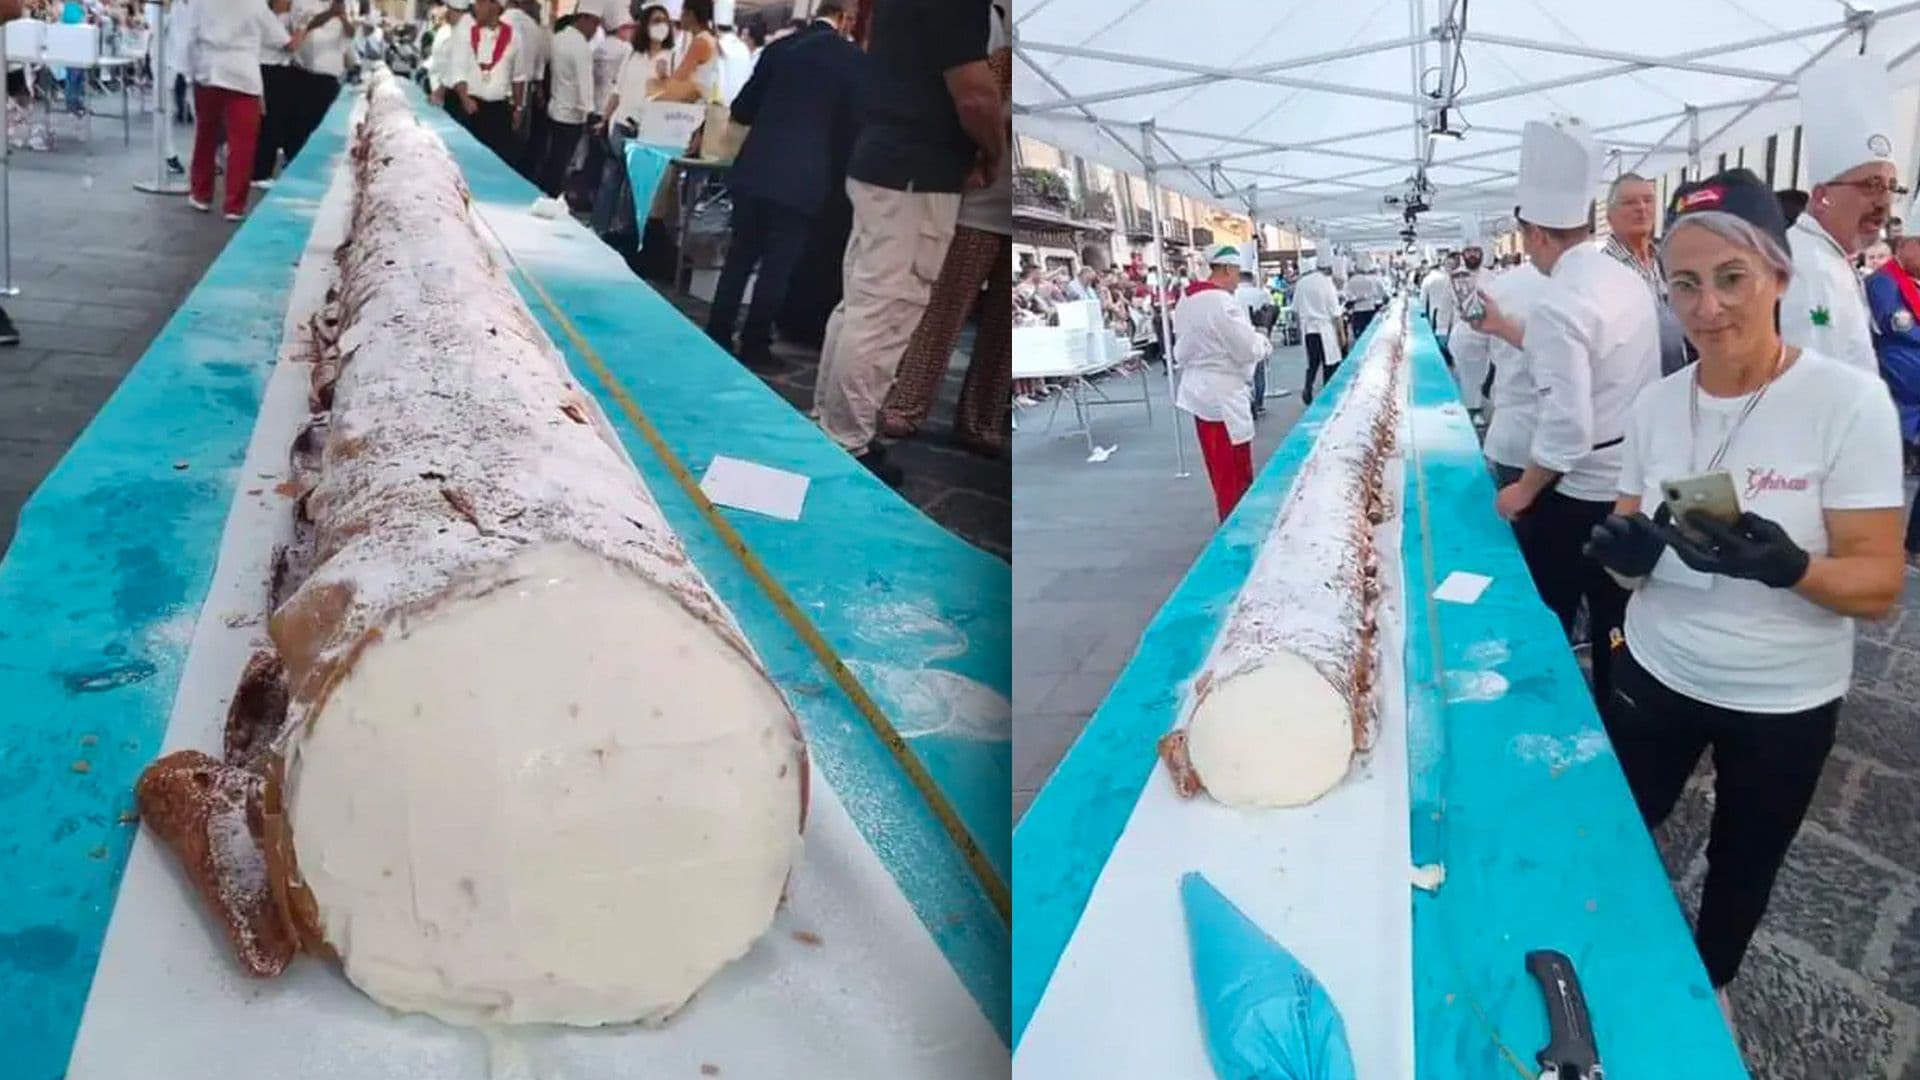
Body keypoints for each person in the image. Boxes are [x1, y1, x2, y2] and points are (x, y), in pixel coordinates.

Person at [1583, 169, 1903, 1019]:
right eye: (1684, 283)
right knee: (1615, 827)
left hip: (1783, 698)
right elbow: (1626, 545)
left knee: (1743, 860)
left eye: (1733, 278)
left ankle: (1708, 982)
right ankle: (1601, 952)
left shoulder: (1847, 403)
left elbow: (1878, 584)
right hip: (1656, 669)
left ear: (1779, 279)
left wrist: (1792, 568)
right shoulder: (1655, 405)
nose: (1707, 307)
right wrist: (1623, 558)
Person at [1466, 116, 1660, 709]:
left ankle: (1544, 710)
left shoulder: (1561, 299)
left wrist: (1523, 490)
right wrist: (1507, 328)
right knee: (1615, 621)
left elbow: (1567, 428)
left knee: (1545, 608)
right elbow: (1591, 361)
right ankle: (1616, 706)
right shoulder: (1621, 277)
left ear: (1536, 234)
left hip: (1580, 494)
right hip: (1631, 479)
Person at [811, 0, 997, 486]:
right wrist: (994, 151)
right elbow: (975, 95)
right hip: (917, 175)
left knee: (861, 304)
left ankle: (830, 425)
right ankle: (845, 440)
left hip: (885, 162)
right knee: (885, 310)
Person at [703, 0, 864, 370]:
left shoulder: (779, 48)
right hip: (805, 178)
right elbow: (852, 128)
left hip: (756, 168)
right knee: (778, 266)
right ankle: (755, 343)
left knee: (740, 257)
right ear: (845, 19)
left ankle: (718, 330)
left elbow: (743, 108)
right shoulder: (852, 60)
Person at [1781, 53, 1901, 375]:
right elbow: (1814, 387)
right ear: (1822, 196)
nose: (1883, 201)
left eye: (1891, 187)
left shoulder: (1831, 257)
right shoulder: (1810, 268)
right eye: (1871, 185)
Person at [1175, 244, 1273, 521]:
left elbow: (1181, 350)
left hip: (1199, 393)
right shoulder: (1221, 302)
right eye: (1237, 273)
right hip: (1223, 396)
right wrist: (1262, 335)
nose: (1237, 282)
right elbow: (1246, 349)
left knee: (1218, 471)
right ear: (1227, 269)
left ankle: (1232, 520)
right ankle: (1236, 531)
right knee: (1234, 473)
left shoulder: (1187, 299)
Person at [188, 0, 307, 220]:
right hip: (243, 75)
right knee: (242, 143)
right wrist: (302, 28)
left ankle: (201, 194)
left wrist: (190, 70)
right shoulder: (255, 4)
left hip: (208, 70)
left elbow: (189, 36)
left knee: (206, 137)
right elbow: (286, 43)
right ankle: (234, 205)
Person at [1865, 219, 1920, 565]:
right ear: (1905, 246)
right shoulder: (1884, 283)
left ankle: (1913, 544)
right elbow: (1898, 327)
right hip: (1895, 399)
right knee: (1879, 474)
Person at [1602, 172, 1691, 376]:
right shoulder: (1603, 270)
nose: (1642, 208)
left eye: (1648, 200)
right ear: (1609, 216)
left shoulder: (1668, 258)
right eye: (1629, 203)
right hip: (1633, 386)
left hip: (1678, 377)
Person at [1481, 257, 1551, 486]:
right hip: (1587, 451)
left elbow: (1473, 345)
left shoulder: (1500, 287)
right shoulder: (1600, 285)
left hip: (1515, 436)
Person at [447, 0, 525, 163]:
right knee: (467, 161)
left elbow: (518, 77)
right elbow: (458, 70)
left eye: (481, 3)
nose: (476, 7)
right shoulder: (467, 33)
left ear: (495, 7)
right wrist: (464, 98)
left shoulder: (514, 37)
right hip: (471, 108)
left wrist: (518, 108)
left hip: (500, 111)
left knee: (497, 160)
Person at [538, 0, 595, 198]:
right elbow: (584, 83)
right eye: (594, 24)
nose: (595, 30)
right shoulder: (580, 46)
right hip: (572, 115)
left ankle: (545, 193)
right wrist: (589, 112)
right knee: (562, 162)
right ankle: (552, 197)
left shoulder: (558, 38)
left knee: (552, 159)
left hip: (555, 107)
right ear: (584, 19)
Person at [285, 0, 349, 169]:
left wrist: (342, 16)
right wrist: (330, 14)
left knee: (322, 124)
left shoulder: (341, 5)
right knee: (301, 123)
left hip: (330, 77)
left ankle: (313, 164)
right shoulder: (303, 3)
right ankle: (293, 161)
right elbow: (300, 30)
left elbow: (350, 34)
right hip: (305, 73)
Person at [1447, 242, 1494, 415]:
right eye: (1469, 251)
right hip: (1464, 333)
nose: (1473, 255)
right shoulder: (1456, 276)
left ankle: (1479, 408)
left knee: (1483, 376)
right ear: (1463, 254)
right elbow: (1451, 306)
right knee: (1466, 377)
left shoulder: (1491, 276)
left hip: (1488, 333)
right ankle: (1471, 411)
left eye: (1476, 251)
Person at [501, 0, 546, 178]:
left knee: (499, 141)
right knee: (519, 142)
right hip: (526, 91)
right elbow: (539, 67)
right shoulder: (534, 27)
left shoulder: (501, 22)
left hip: (501, 89)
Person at [1292, 263, 1342, 405]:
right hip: (1325, 329)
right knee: (1329, 364)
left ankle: (1308, 387)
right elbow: (1335, 311)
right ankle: (1327, 394)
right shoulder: (1326, 282)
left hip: (1309, 331)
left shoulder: (1301, 283)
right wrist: (1341, 334)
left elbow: (1295, 308)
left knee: (1313, 363)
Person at [652, 0, 717, 103]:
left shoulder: (701, 42)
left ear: (690, 15)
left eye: (682, 12)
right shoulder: (704, 38)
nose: (680, 17)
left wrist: (655, 99)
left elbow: (679, 79)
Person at [1233, 266, 1275, 418]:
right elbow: (1270, 311)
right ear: (1252, 279)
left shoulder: (1232, 295)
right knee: (1259, 372)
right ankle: (1259, 403)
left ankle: (1247, 402)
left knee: (1243, 373)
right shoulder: (1261, 294)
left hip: (1238, 337)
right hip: (1257, 335)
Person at [1422, 252, 1458, 363]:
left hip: (1437, 312)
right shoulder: (1448, 279)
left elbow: (1423, 299)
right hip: (1448, 316)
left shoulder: (1428, 279)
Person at [1343, 260, 1384, 340]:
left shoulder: (1351, 280)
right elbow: (1376, 294)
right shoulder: (1370, 280)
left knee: (1359, 336)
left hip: (1358, 311)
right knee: (1371, 333)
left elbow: (1348, 296)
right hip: (1370, 309)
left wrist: (1358, 298)